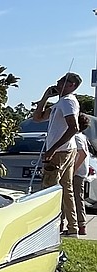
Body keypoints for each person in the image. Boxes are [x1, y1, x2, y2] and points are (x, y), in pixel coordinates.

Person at [32, 72, 82, 235]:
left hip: (60, 152)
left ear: (71, 85)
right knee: (66, 188)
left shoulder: (68, 102)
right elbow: (38, 117)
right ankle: (72, 227)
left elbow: (74, 127)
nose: (58, 84)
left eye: (62, 82)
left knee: (49, 188)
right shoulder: (61, 103)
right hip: (66, 150)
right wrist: (46, 96)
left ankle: (52, 226)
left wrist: (53, 149)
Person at [72, 113, 91, 235]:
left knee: (77, 198)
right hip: (82, 171)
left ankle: (81, 224)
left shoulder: (76, 137)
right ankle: (80, 223)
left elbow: (82, 153)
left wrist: (73, 169)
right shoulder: (83, 137)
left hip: (77, 172)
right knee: (77, 197)